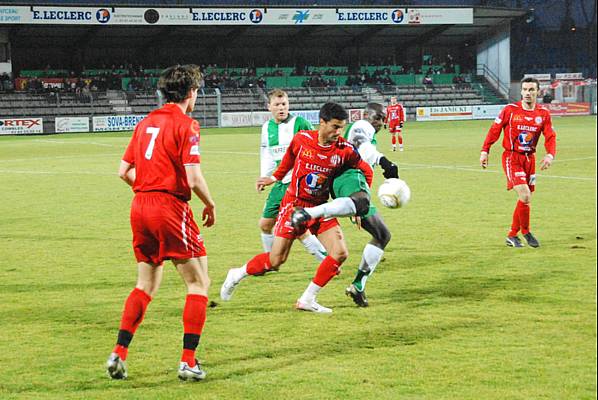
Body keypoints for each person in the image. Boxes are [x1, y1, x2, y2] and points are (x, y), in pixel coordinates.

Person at [106, 64, 216, 381]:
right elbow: (193, 178)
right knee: (198, 283)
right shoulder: (187, 125)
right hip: (170, 207)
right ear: (191, 92)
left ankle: (119, 353)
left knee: (146, 284)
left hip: (140, 206)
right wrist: (210, 203)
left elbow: (124, 171)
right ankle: (188, 361)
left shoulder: (145, 123)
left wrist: (149, 185)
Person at [220, 103, 373, 313]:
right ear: (322, 122)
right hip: (294, 206)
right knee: (275, 261)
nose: (339, 132)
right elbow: (288, 161)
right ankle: (236, 274)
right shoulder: (302, 140)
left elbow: (365, 171)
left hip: (320, 208)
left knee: (339, 253)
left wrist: (360, 203)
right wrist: (273, 178)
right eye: (335, 127)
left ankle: (307, 299)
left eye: (341, 127)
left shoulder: (345, 150)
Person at [293, 103, 398, 307]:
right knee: (366, 210)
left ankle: (358, 285)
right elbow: (362, 146)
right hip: (349, 178)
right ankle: (310, 213)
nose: (381, 122)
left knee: (382, 234)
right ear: (367, 115)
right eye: (378, 117)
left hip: (345, 182)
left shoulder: (356, 133)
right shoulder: (361, 124)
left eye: (383, 119)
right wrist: (384, 161)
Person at [480, 77, 556, 248]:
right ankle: (526, 231)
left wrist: (550, 155)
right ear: (521, 91)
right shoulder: (510, 110)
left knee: (525, 199)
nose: (528, 93)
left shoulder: (543, 113)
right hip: (512, 157)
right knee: (525, 195)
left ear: (538, 92)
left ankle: (512, 235)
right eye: (525, 90)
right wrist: (485, 150)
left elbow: (550, 135)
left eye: (531, 90)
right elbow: (495, 130)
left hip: (530, 159)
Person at [258, 89, 327, 262]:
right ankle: (270, 259)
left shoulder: (300, 123)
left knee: (297, 226)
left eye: (284, 104)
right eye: (277, 105)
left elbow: (317, 145)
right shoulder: (267, 127)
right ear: (269, 107)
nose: (281, 108)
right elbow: (267, 154)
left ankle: (326, 262)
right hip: (280, 182)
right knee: (265, 224)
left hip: (298, 183)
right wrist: (264, 177)